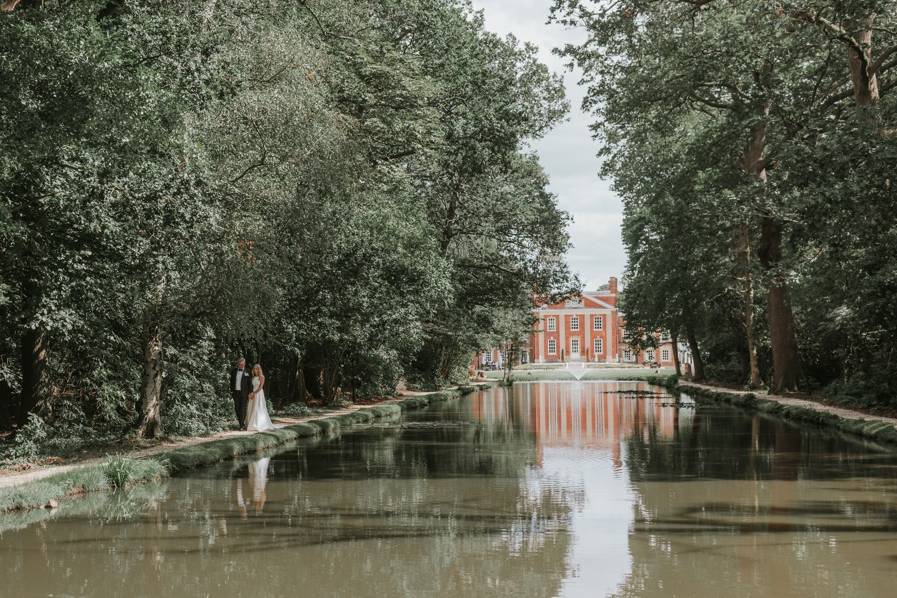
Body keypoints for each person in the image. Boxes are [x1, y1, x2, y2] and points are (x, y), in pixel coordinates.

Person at [245, 363, 275, 432]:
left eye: (256, 369)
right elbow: (251, 387)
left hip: (258, 393)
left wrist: (254, 393)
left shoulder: (262, 377)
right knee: (250, 407)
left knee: (258, 407)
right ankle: (250, 423)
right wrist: (250, 394)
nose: (255, 370)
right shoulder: (253, 377)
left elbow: (261, 387)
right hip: (253, 393)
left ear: (259, 369)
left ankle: (258, 423)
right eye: (254, 369)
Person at [229, 358, 252, 429]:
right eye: (240, 364)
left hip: (244, 393)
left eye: (243, 364)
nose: (241, 365)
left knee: (243, 408)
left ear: (244, 364)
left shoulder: (248, 371)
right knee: (237, 408)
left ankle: (241, 425)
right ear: (238, 364)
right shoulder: (233, 371)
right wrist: (231, 391)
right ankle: (241, 423)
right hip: (235, 392)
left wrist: (250, 392)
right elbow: (231, 382)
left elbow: (250, 383)